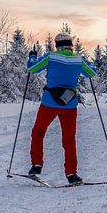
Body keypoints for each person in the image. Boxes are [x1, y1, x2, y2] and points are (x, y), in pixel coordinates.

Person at [26, 32, 96, 184]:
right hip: (69, 104)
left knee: (38, 132)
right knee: (69, 139)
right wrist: (88, 63)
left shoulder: (51, 57)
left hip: (49, 103)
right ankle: (72, 174)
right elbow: (91, 73)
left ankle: (37, 164)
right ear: (71, 45)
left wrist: (32, 56)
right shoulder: (78, 60)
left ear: (57, 45)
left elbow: (32, 69)